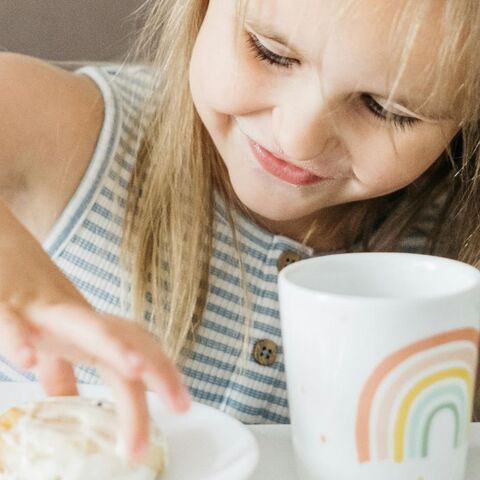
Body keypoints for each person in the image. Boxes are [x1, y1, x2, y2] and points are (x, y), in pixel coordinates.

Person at [0, 0, 478, 461]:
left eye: (386, 108)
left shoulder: (457, 243)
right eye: (270, 52)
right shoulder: (76, 129)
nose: (298, 138)